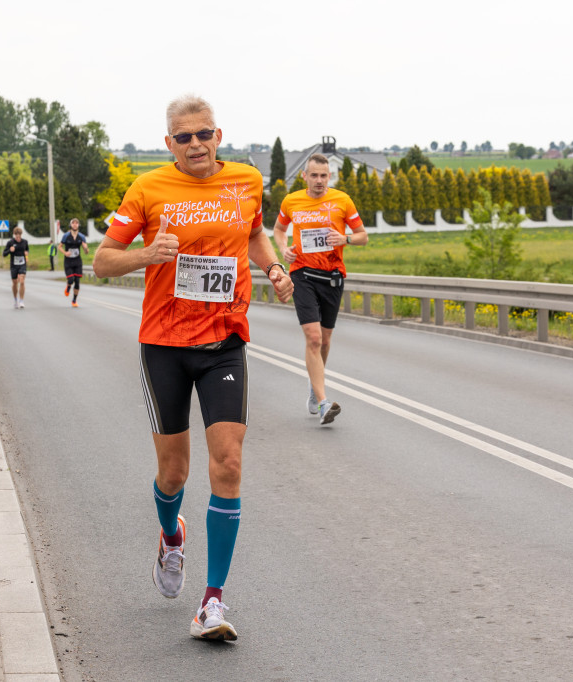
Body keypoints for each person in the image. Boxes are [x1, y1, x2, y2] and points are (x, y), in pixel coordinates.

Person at [93, 95, 292, 642]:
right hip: (163, 345)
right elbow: (102, 260)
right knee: (174, 473)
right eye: (185, 137)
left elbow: (252, 233)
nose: (197, 144)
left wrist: (273, 266)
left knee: (227, 462)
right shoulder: (147, 189)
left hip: (225, 340)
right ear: (169, 143)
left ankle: (212, 602)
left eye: (205, 134)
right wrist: (145, 254)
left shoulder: (246, 181)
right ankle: (170, 535)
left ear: (218, 134)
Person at [273, 153, 368, 426]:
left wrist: (345, 238)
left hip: (332, 277)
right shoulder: (292, 201)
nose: (318, 181)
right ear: (304, 176)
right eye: (313, 175)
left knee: (325, 341)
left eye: (323, 176)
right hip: (302, 274)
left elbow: (363, 235)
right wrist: (283, 249)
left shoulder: (342, 200)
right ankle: (324, 401)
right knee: (313, 338)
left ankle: (314, 389)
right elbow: (279, 229)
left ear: (329, 177)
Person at [59, 218, 89, 308]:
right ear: (70, 225)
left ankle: (74, 300)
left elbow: (86, 252)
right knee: (71, 279)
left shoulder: (82, 237)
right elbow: (59, 247)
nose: (75, 224)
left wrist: (85, 247)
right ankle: (68, 287)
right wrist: (65, 253)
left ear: (78, 225)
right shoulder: (66, 236)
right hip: (68, 261)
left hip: (77, 261)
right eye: (73, 223)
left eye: (76, 223)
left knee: (77, 281)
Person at [3, 226, 30, 308]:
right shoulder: (10, 242)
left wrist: (26, 253)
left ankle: (21, 300)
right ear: (14, 235)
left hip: (22, 264)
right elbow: (4, 254)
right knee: (15, 283)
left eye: (19, 235)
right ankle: (15, 300)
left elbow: (27, 250)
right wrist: (9, 250)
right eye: (16, 235)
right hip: (14, 265)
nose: (18, 237)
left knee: (22, 281)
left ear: (21, 235)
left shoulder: (25, 242)